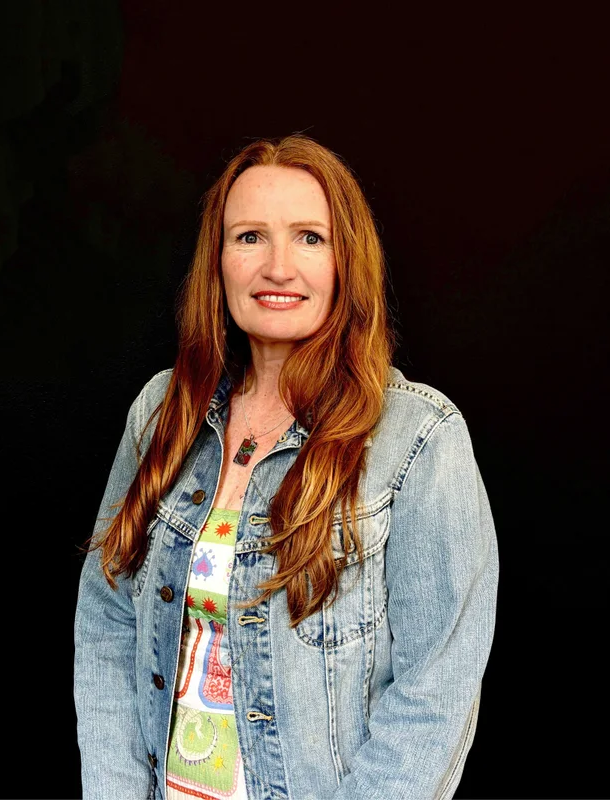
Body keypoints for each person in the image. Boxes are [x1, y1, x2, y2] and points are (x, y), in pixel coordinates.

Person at [73, 133, 499, 800]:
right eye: (248, 237)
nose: (277, 266)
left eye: (308, 237)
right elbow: (105, 624)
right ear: (216, 261)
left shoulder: (418, 437)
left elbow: (435, 691)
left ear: (345, 261)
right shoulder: (161, 412)